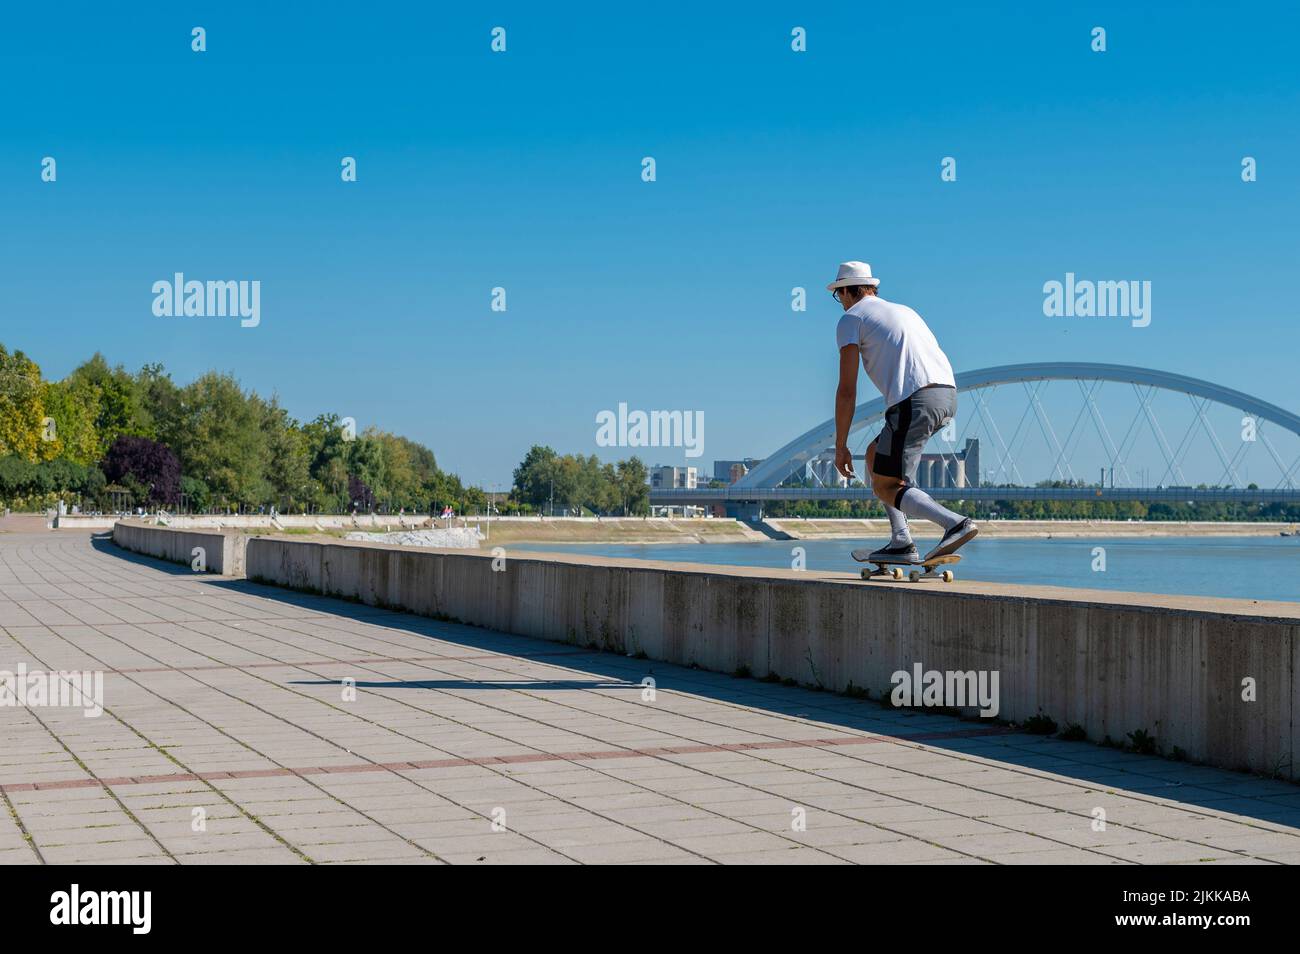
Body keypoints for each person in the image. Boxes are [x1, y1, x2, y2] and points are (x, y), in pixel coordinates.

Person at [829, 261, 978, 564]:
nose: (840, 302)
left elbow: (847, 390)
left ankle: (955, 523)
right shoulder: (904, 311)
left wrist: (841, 446)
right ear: (872, 288)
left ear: (846, 291)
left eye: (838, 295)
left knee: (885, 484)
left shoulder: (851, 318)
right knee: (874, 455)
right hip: (947, 395)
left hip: (914, 400)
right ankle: (901, 541)